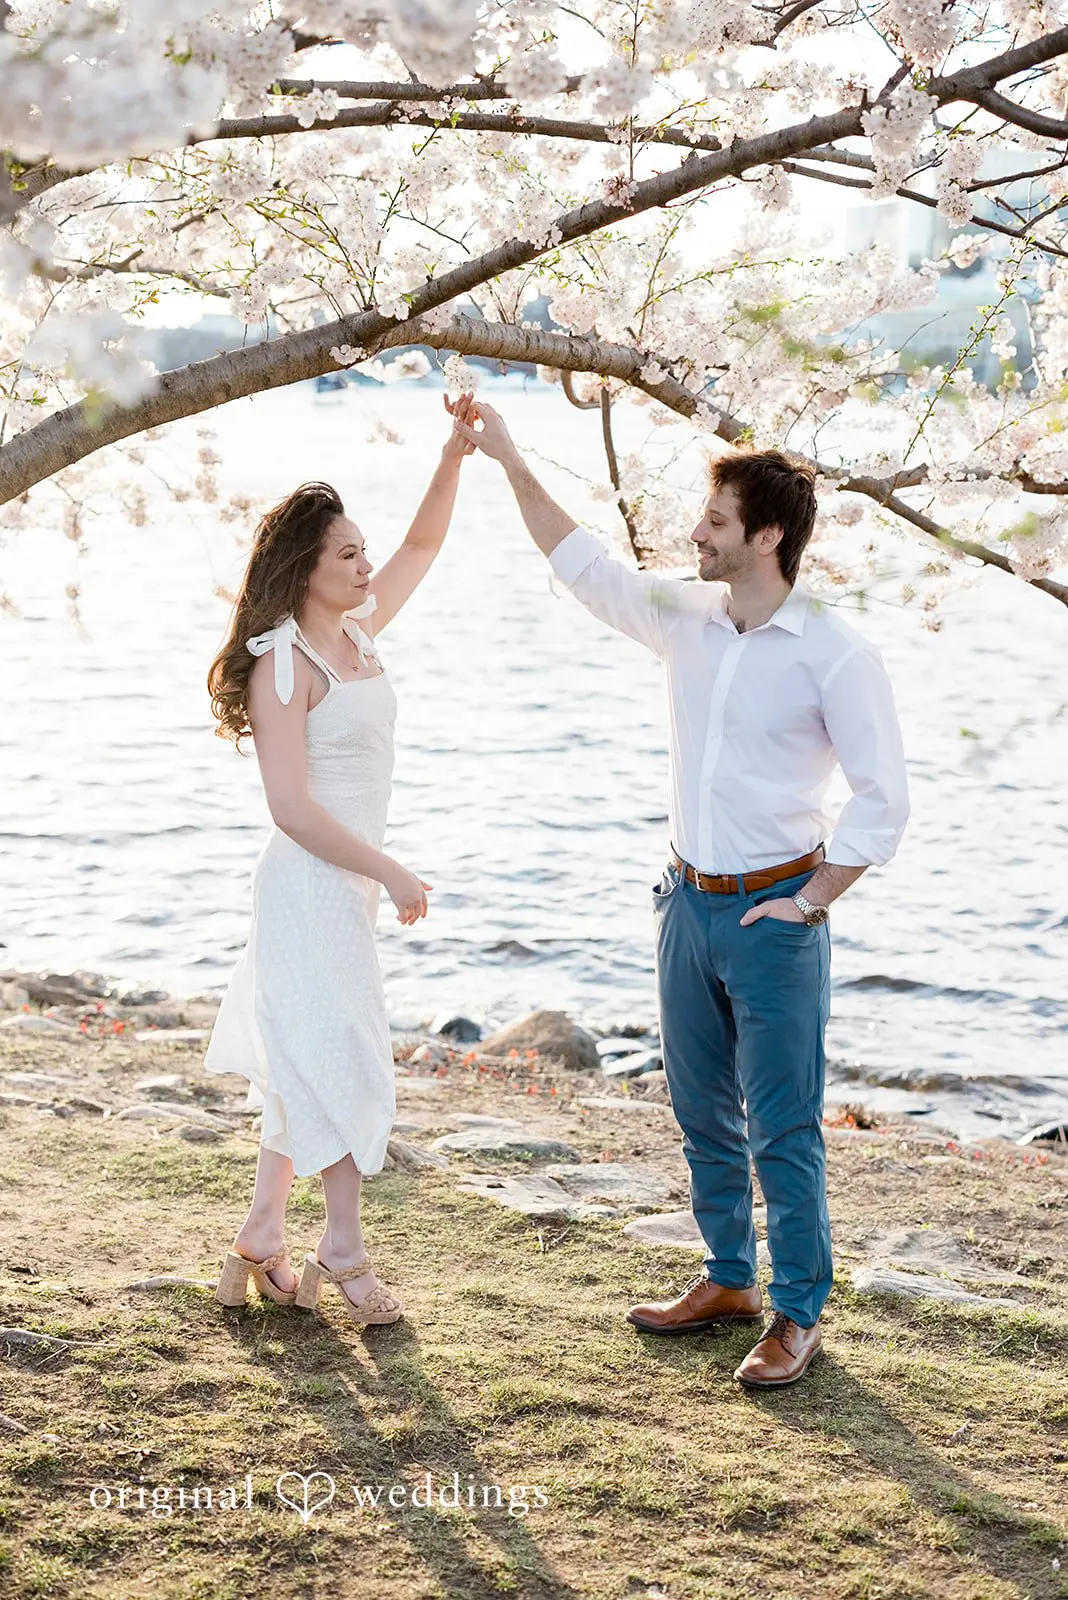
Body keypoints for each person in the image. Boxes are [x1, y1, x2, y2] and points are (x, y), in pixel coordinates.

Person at [452, 399, 909, 1388]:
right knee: (700, 1107)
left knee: (782, 1121)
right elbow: (582, 564)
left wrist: (815, 897)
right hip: (684, 902)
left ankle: (797, 1313)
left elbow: (884, 798)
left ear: (767, 535)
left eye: (714, 519)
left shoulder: (836, 651)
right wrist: (505, 449)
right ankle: (728, 1277)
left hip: (774, 914)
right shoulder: (690, 620)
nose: (694, 532)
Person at [202, 394, 475, 1327]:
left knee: (305, 1058)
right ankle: (344, 1251)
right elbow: (291, 810)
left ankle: (260, 1234)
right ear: (305, 572)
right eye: (347, 554)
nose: (367, 564)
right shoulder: (286, 664)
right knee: (344, 1058)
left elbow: (425, 547)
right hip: (309, 887)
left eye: (363, 550)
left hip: (344, 890)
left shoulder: (357, 631)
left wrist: (453, 453)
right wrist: (391, 867)